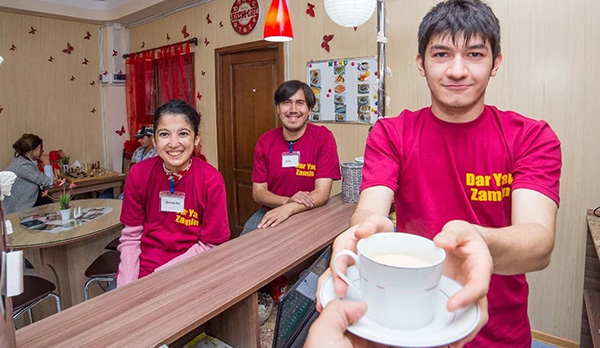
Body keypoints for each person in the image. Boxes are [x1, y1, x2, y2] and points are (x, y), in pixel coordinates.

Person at [321, 0, 562, 347]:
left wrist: (475, 240)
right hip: (408, 324)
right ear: (421, 63)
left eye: (475, 54)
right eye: (442, 54)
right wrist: (365, 231)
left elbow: (539, 243)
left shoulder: (531, 136)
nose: (457, 70)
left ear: (496, 62)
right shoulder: (392, 133)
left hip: (498, 332)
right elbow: (369, 211)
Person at [116, 100, 230, 287]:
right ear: (154, 140)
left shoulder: (211, 180)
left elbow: (211, 245)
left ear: (196, 140)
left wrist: (162, 277)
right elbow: (131, 237)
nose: (174, 143)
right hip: (143, 272)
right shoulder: (138, 174)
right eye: (164, 134)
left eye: (183, 134)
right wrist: (126, 286)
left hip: (194, 270)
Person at [241, 80, 341, 235]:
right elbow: (258, 191)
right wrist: (285, 201)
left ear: (309, 109)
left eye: (300, 103)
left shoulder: (323, 138)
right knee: (245, 243)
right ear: (278, 109)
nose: (293, 110)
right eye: (287, 102)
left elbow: (322, 192)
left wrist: (289, 209)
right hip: (273, 210)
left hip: (310, 211)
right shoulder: (265, 141)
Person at [3, 133, 53, 214]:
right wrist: (46, 162)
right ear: (31, 151)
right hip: (17, 212)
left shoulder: (22, 161)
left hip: (24, 207)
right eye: (40, 147)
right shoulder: (23, 166)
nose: (42, 150)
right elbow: (49, 182)